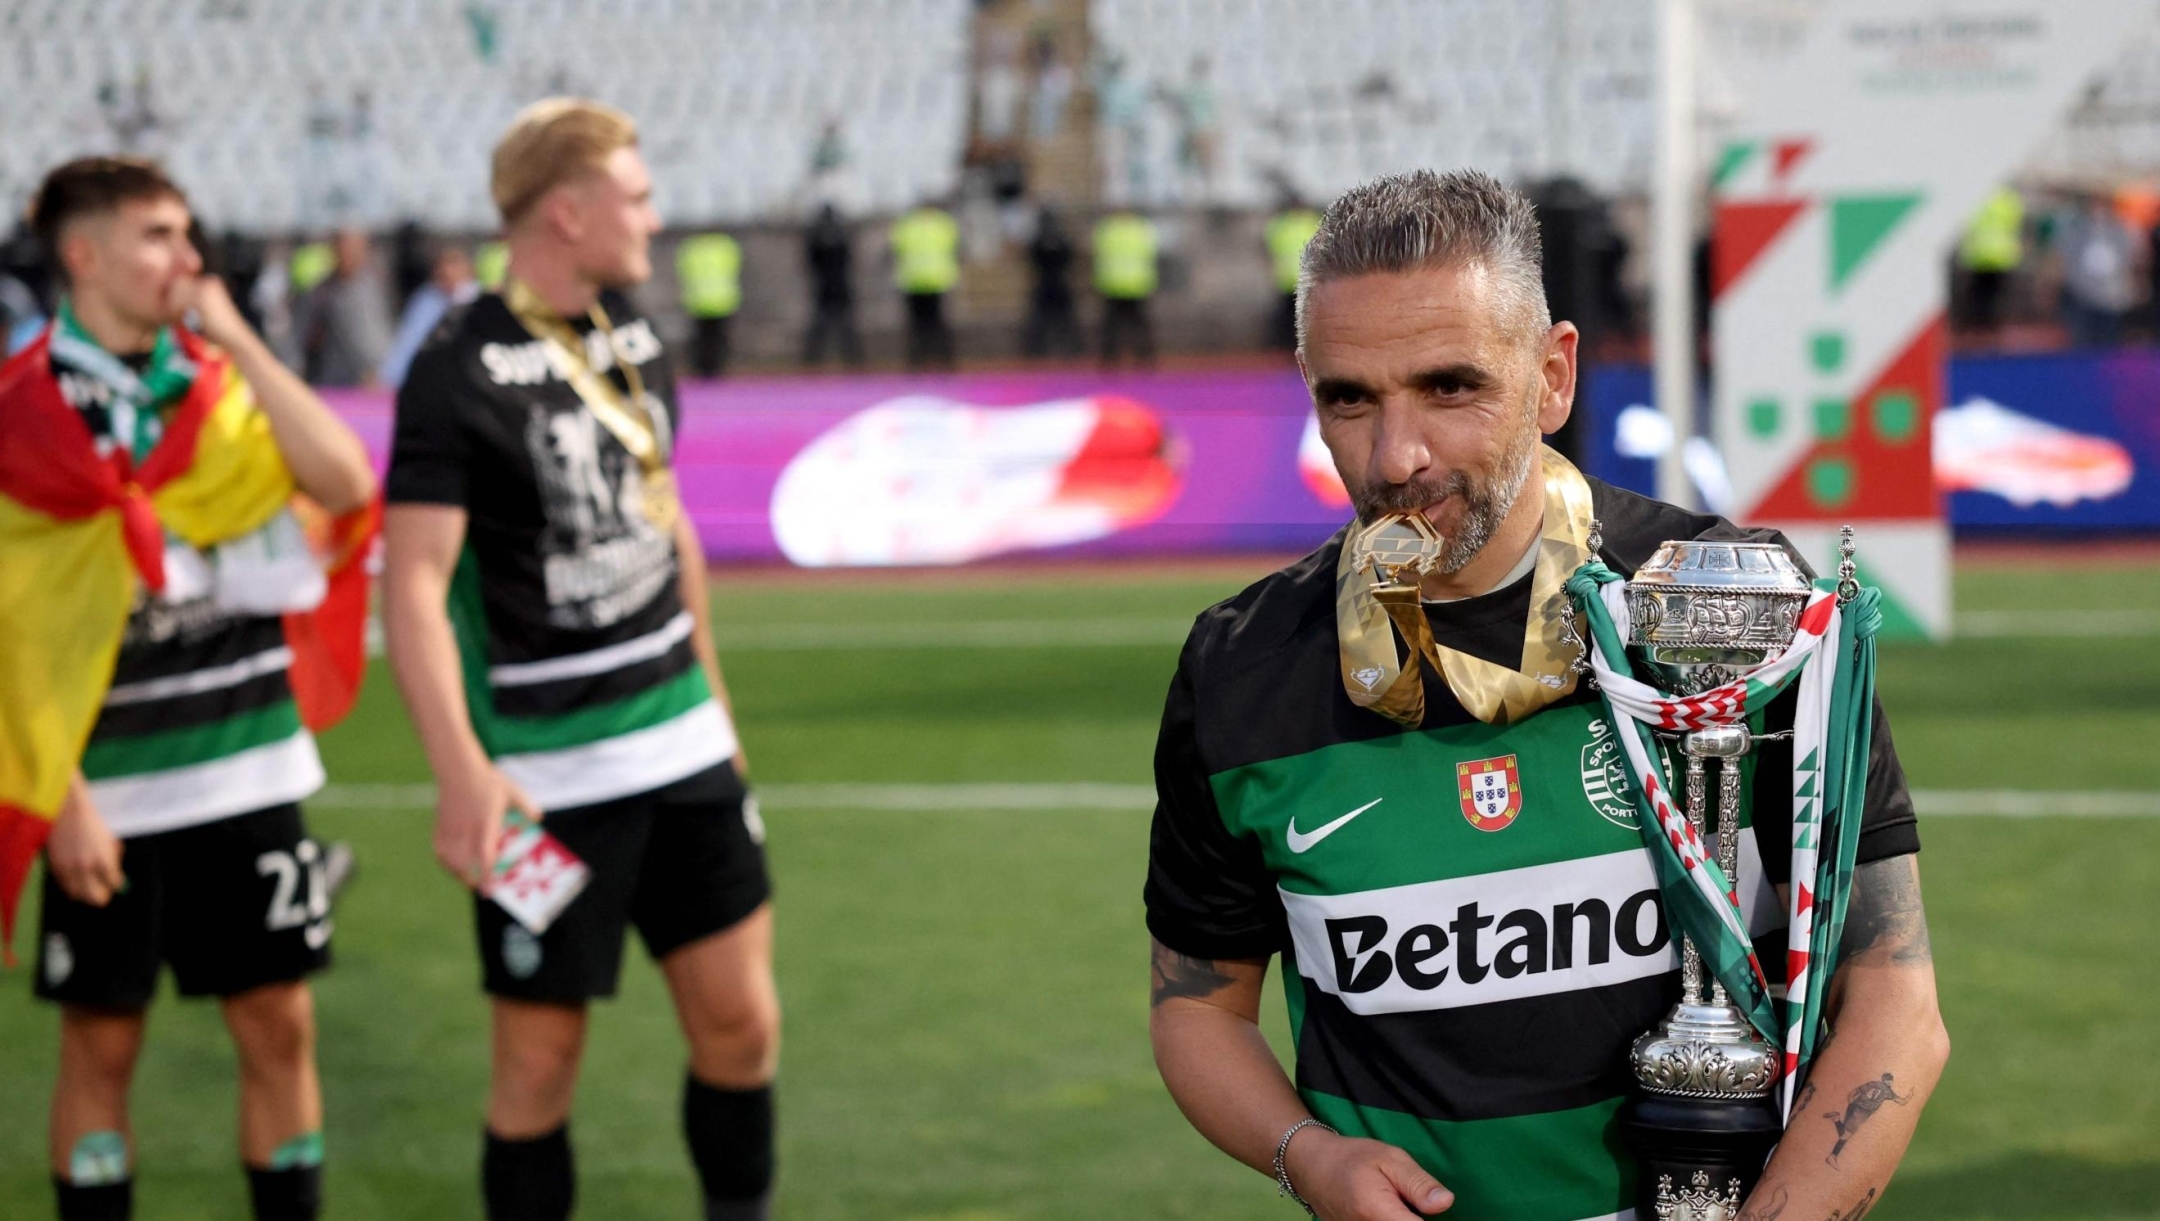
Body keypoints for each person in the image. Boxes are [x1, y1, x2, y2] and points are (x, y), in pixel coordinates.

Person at [1143, 170, 1948, 1221]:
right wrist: (1308, 1155)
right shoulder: (1241, 669)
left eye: (1449, 386)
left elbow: (1892, 1000)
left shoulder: (1746, 614)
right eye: (1350, 398)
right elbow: (1198, 1009)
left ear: (1553, 375)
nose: (1397, 456)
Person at [380, 99, 777, 1221]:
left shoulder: (635, 333)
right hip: (540, 786)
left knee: (743, 1026)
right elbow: (409, 582)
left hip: (686, 746)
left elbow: (671, 527)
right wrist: (459, 769)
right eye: (636, 196)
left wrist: (722, 709)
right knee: (538, 1066)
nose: (655, 217)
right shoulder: (453, 366)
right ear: (567, 211)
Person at [4, 155, 376, 1221]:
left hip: (246, 766)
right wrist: (61, 793)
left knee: (279, 1025)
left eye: (187, 234)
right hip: (106, 789)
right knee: (101, 1041)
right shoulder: (20, 409)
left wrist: (244, 343)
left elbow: (348, 485)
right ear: (84, 254)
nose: (188, 258)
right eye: (158, 236)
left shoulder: (218, 389)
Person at [290, 228, 391, 387]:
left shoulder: (373, 289)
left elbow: (379, 334)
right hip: (331, 383)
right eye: (343, 248)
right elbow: (297, 338)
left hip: (368, 383)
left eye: (354, 249)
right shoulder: (320, 293)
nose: (348, 255)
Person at [380, 245, 479, 390]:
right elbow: (407, 341)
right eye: (442, 265)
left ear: (468, 268)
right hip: (430, 382)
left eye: (453, 264)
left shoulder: (480, 300)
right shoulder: (425, 300)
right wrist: (386, 377)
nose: (447, 271)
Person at [890, 201, 960, 370]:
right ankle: (943, 361)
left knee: (920, 326)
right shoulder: (943, 223)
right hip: (936, 280)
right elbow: (953, 247)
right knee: (935, 325)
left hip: (915, 280)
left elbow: (897, 249)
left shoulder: (906, 225)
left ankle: (919, 362)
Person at [1093, 208, 1157, 368]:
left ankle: (1141, 358)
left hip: (1127, 285)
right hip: (1124, 285)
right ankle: (1115, 359)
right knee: (1118, 326)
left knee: (1129, 325)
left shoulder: (1109, 230)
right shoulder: (1140, 230)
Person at [801, 204, 863, 367]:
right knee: (844, 325)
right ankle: (853, 360)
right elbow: (848, 257)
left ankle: (813, 360)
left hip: (824, 284)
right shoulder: (841, 234)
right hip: (839, 282)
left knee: (822, 325)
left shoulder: (815, 236)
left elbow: (811, 260)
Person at [677, 230, 743, 378]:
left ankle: (703, 368)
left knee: (702, 339)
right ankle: (716, 368)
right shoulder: (727, 246)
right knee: (718, 339)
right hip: (722, 301)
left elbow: (683, 270)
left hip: (699, 301)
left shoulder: (692, 248)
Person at [1022, 206, 1082, 359]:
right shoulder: (1059, 239)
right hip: (1053, 281)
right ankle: (1039, 349)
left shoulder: (1041, 239)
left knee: (1061, 319)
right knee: (1044, 320)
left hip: (1049, 282)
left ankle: (1068, 348)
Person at [1264, 198, 1322, 350]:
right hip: (1305, 277)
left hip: (1287, 278)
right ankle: (1299, 344)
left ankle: (1284, 344)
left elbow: (1270, 247)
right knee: (1302, 314)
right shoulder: (1311, 221)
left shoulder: (1281, 224)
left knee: (1287, 315)